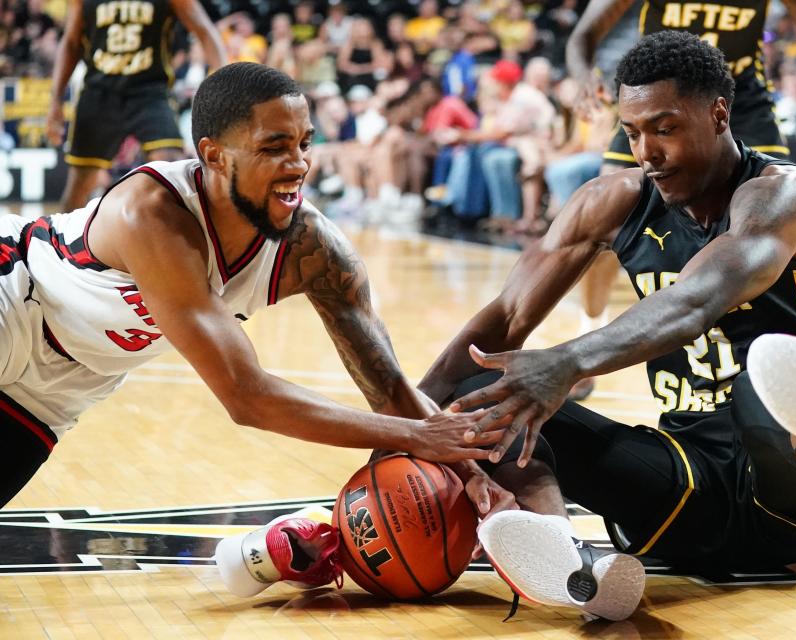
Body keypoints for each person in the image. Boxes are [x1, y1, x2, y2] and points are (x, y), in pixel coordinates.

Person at [418, 32, 796, 621]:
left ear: (718, 113)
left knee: (764, 369)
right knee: (485, 396)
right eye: (631, 133)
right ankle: (569, 563)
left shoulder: (781, 195)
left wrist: (565, 362)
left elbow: (694, 302)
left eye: (664, 128)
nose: (645, 152)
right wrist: (404, 434)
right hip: (685, 493)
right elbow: (500, 323)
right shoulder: (610, 201)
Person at [3, 64, 513, 525]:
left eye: (304, 144)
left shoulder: (315, 250)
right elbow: (246, 397)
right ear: (214, 156)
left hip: (64, 389)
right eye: (274, 147)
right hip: (16, 298)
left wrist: (470, 474)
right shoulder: (153, 213)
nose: (298, 165)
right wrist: (417, 438)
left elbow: (390, 389)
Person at [563, 0, 796, 399]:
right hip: (659, 107)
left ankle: (775, 347)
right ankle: (589, 325)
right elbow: (584, 35)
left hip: (742, 107)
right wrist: (582, 77)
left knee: (774, 219)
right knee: (607, 220)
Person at [45, 0, 228, 213]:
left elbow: (204, 29)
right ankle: (60, 244)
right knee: (80, 181)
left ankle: (170, 238)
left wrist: (227, 86)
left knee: (170, 167)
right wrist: (55, 100)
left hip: (149, 91)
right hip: (99, 93)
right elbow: (71, 42)